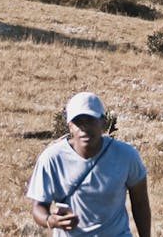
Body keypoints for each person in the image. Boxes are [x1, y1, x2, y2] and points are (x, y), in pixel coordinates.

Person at [27, 92, 151, 236]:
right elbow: (38, 207)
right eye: (78, 122)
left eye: (90, 120)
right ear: (70, 126)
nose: (84, 128)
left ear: (103, 122)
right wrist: (51, 220)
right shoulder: (51, 159)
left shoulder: (126, 155)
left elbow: (140, 202)